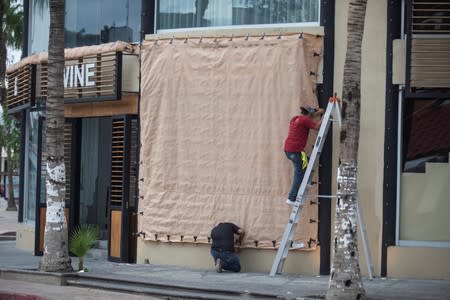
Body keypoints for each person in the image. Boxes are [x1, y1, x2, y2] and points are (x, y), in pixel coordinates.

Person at [284, 106, 324, 205]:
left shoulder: (296, 119)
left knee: (308, 162)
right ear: (309, 114)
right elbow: (317, 127)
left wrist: (317, 112)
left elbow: (310, 116)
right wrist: (325, 115)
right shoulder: (305, 120)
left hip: (290, 150)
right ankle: (291, 198)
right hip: (295, 151)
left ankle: (306, 182)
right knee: (299, 173)